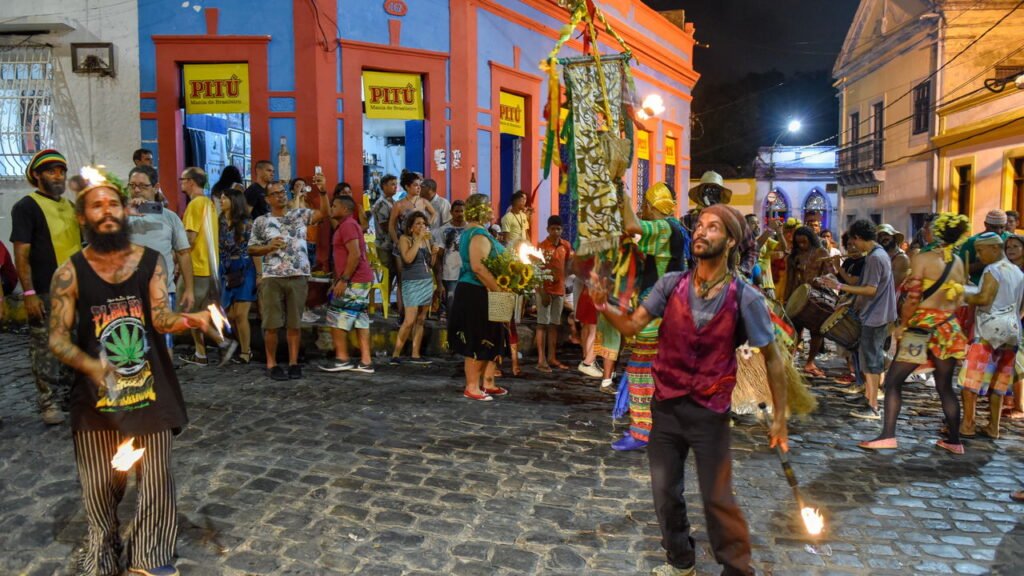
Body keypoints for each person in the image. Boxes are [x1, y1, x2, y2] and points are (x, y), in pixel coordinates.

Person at [591, 203, 787, 576]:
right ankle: (681, 562)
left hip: (709, 411)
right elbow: (632, 326)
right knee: (665, 496)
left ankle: (737, 570)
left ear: (730, 240)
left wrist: (780, 419)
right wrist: (604, 305)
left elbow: (773, 359)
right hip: (664, 407)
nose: (700, 231)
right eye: (699, 225)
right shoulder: (671, 285)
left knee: (717, 500)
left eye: (713, 227)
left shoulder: (746, 297)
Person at [48, 177, 212, 576]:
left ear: (125, 211)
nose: (106, 211)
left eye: (112, 204)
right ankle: (102, 554)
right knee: (100, 487)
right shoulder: (69, 273)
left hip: (148, 391)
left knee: (156, 479)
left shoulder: (151, 262)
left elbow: (159, 318)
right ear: (83, 216)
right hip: (95, 401)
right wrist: (92, 366)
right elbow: (57, 338)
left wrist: (192, 318)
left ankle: (150, 556)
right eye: (96, 206)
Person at [857, 213, 970, 454]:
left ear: (936, 233)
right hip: (948, 328)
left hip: (921, 328)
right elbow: (960, 300)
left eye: (928, 228)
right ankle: (955, 441)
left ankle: (888, 435)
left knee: (894, 382)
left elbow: (912, 299)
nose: (925, 231)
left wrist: (902, 325)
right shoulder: (959, 262)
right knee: (945, 386)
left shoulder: (922, 259)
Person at [614, 181, 690, 451]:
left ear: (650, 206)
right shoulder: (675, 228)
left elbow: (633, 227)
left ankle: (641, 432)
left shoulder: (663, 226)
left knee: (641, 371)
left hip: (658, 314)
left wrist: (620, 192)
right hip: (670, 309)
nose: (641, 209)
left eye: (643, 204)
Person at [11, 149, 81, 425]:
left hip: (75, 291)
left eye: (61, 171)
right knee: (45, 349)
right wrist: (28, 293)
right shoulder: (26, 207)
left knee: (73, 345)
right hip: (44, 292)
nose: (58, 176)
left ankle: (70, 397)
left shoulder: (70, 207)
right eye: (51, 171)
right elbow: (21, 254)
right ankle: (48, 402)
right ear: (37, 175)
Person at [249, 177, 329, 380]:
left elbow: (324, 214)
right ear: (267, 199)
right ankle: (271, 363)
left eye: (282, 192)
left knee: (294, 323)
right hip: (272, 277)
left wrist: (322, 192)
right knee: (272, 324)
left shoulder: (299, 214)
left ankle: (294, 362)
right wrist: (268, 247)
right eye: (275, 193)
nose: (280, 196)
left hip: (298, 275)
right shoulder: (261, 221)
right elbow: (251, 248)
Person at [820, 220, 897, 420]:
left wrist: (839, 286)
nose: (854, 246)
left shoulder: (874, 258)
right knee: (869, 359)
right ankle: (868, 396)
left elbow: (870, 290)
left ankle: (872, 405)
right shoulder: (879, 254)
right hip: (878, 313)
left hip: (876, 315)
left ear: (858, 238)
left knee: (871, 362)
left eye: (854, 242)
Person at [958, 233, 1023, 439]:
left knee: (970, 382)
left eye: (980, 250)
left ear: (995, 248)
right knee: (999, 383)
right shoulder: (1017, 272)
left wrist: (962, 292)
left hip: (988, 332)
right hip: (1012, 332)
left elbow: (984, 297)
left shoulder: (993, 269)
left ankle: (968, 424)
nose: (978, 255)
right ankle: (993, 426)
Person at [448, 193, 509, 401]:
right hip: (476, 291)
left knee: (492, 336)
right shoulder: (477, 234)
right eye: (488, 206)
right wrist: (497, 289)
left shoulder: (479, 232)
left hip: (484, 290)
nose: (492, 210)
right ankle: (472, 386)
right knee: (476, 337)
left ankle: (486, 382)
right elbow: (478, 267)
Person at [126, 165, 194, 351]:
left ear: (155, 187)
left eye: (142, 186)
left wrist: (189, 288)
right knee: (130, 346)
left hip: (162, 292)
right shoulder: (120, 217)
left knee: (163, 345)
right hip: (127, 292)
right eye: (132, 185)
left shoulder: (170, 218)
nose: (136, 190)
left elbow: (183, 253)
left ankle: (164, 379)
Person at [320, 195, 375, 373]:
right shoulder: (347, 226)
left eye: (335, 205)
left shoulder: (349, 226)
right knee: (360, 319)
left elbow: (355, 254)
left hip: (354, 280)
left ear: (345, 209)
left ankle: (342, 358)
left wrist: (344, 280)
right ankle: (365, 360)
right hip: (359, 279)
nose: (332, 208)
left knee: (336, 317)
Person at [178, 167, 220, 366]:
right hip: (209, 267)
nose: (181, 182)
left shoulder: (195, 204)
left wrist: (176, 259)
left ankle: (223, 343)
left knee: (188, 311)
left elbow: (189, 238)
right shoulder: (209, 204)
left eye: (183, 179)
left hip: (196, 266)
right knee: (199, 312)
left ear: (191, 182)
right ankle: (200, 353)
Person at [783, 225, 835, 377]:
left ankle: (810, 362)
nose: (802, 245)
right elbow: (790, 280)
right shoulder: (794, 256)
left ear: (811, 240)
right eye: (799, 243)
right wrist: (787, 300)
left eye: (804, 242)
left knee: (817, 332)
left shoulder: (821, 252)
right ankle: (789, 360)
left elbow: (831, 274)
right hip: (799, 296)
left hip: (817, 297)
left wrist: (821, 280)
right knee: (794, 331)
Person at [390, 211, 437, 365]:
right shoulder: (405, 239)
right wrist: (418, 239)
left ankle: (415, 354)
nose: (422, 226)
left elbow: (430, 265)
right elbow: (408, 259)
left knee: (421, 319)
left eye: (424, 223)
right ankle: (395, 355)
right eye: (418, 223)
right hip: (412, 282)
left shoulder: (427, 240)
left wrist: (434, 253)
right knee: (409, 319)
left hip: (426, 281)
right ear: (410, 228)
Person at [218, 185, 258, 364]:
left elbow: (254, 249)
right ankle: (239, 344)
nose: (221, 200)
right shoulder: (218, 221)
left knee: (241, 314)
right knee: (230, 315)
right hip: (226, 268)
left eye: (225, 198)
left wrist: (260, 274)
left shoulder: (246, 223)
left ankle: (245, 351)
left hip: (244, 267)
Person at [535, 215, 573, 373]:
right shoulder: (541, 247)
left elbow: (568, 264)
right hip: (544, 290)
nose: (555, 232)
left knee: (554, 325)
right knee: (542, 324)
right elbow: (536, 271)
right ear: (547, 230)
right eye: (552, 229)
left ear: (562, 230)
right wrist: (542, 291)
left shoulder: (566, 246)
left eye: (558, 229)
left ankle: (551, 357)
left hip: (559, 290)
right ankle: (540, 360)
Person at [371, 174, 400, 314]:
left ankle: (389, 302)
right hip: (385, 244)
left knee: (395, 272)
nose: (395, 186)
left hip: (392, 244)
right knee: (390, 272)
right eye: (392, 184)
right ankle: (385, 302)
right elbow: (385, 226)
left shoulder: (393, 202)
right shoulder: (381, 204)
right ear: (384, 186)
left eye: (396, 183)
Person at [433, 200, 467, 317]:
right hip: (450, 274)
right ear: (451, 212)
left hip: (467, 274)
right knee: (451, 306)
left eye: (462, 211)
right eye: (457, 211)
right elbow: (439, 256)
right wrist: (439, 281)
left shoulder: (470, 229)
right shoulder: (443, 230)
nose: (460, 214)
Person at [1003, 234, 1024, 419]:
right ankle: (1009, 400)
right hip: (1009, 319)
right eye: (1008, 246)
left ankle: (1020, 406)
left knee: (1018, 364)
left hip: (1018, 321)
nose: (1010, 249)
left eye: (1015, 246)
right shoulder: (1008, 269)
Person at [960, 209, 1009, 285]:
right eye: (994, 227)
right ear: (985, 224)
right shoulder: (972, 241)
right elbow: (960, 269)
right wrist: (984, 262)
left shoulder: (1010, 239)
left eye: (1002, 227)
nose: (999, 231)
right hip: (979, 285)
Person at [876, 223, 910, 290]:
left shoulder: (901, 258)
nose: (883, 238)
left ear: (894, 237)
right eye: (880, 236)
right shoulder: (879, 256)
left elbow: (892, 285)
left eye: (886, 234)